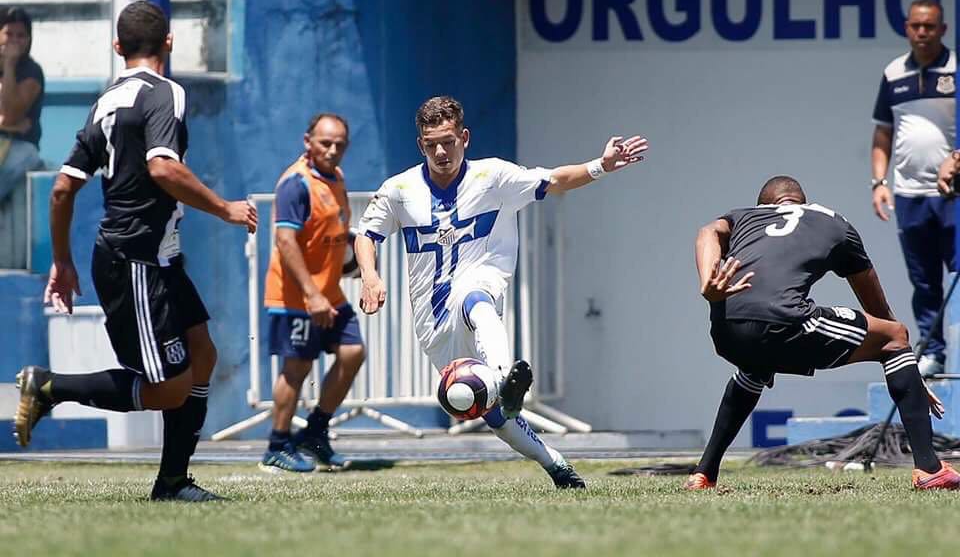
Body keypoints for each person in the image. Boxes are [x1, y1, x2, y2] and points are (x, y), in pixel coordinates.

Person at [12, 0, 258, 502]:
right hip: (136, 260)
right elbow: (164, 168)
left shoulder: (106, 101)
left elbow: (62, 190)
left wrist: (62, 261)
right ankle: (49, 386)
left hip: (152, 257)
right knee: (168, 386)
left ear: (117, 47)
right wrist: (224, 209)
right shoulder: (165, 92)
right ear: (169, 43)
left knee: (202, 355)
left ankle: (172, 482)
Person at [354, 95, 647, 489]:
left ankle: (504, 377)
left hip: (478, 287)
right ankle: (555, 464)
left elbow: (556, 181)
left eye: (449, 141)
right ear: (420, 144)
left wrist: (602, 165)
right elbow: (366, 235)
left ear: (465, 137)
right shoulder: (399, 189)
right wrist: (370, 276)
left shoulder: (493, 177)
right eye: (430, 144)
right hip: (432, 322)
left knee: (476, 298)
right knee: (489, 413)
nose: (441, 151)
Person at [687, 175, 958, 491]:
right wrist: (904, 361)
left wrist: (707, 282)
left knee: (754, 367)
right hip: (782, 320)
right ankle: (930, 469)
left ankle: (704, 473)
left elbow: (707, 232)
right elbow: (877, 309)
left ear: (763, 206)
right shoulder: (831, 221)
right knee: (895, 335)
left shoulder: (744, 216)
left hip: (727, 329)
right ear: (802, 203)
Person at [259, 113, 365, 473]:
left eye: (339, 144)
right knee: (298, 365)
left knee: (353, 352)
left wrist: (356, 257)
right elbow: (285, 241)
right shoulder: (296, 184)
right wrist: (312, 294)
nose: (333, 150)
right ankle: (276, 444)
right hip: (296, 295)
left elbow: (334, 231)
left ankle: (315, 432)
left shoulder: (336, 178)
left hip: (329, 292)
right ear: (308, 142)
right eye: (325, 143)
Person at [870, 0, 956, 377]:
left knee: (958, 274)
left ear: (943, 29)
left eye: (930, 26)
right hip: (909, 194)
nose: (923, 33)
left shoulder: (956, 69)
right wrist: (879, 183)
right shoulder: (893, 73)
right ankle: (933, 351)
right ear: (907, 28)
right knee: (924, 281)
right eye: (916, 26)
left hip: (953, 193)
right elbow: (883, 132)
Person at [0, 6, 45, 202]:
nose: (15, 41)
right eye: (9, 34)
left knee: (18, 159)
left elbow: (10, 114)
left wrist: (9, 65)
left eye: (21, 36)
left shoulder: (32, 71)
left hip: (21, 145)